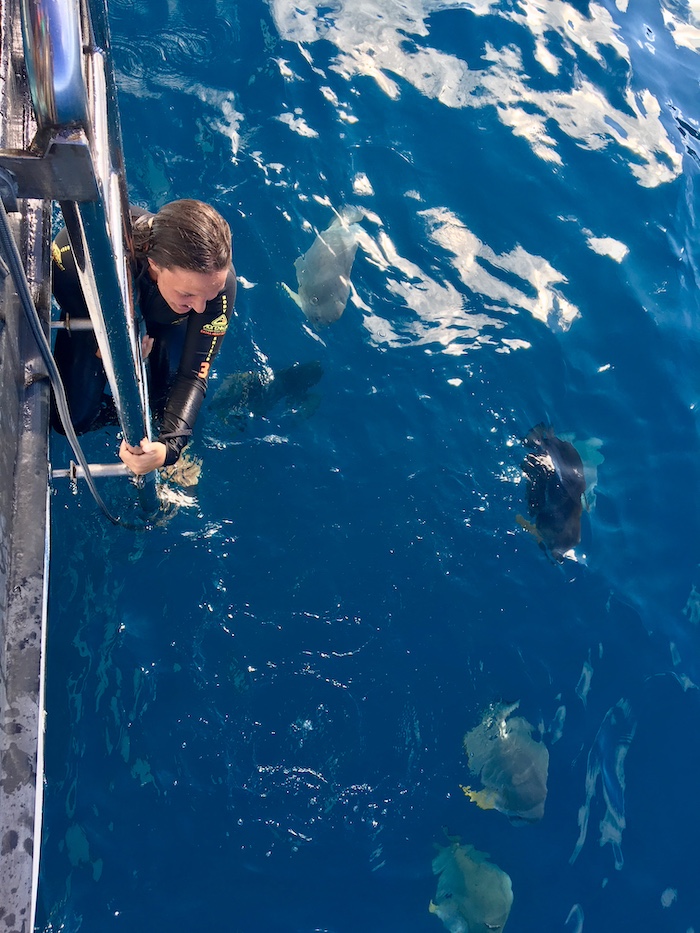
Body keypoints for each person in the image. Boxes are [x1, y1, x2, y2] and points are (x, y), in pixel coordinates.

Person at [51, 199, 236, 475]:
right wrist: (107, 350)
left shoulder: (217, 286)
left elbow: (193, 375)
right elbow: (74, 308)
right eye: (188, 294)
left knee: (166, 408)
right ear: (154, 262)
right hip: (99, 321)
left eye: (209, 296)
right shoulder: (72, 254)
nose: (200, 308)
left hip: (168, 325)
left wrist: (168, 450)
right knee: (69, 421)